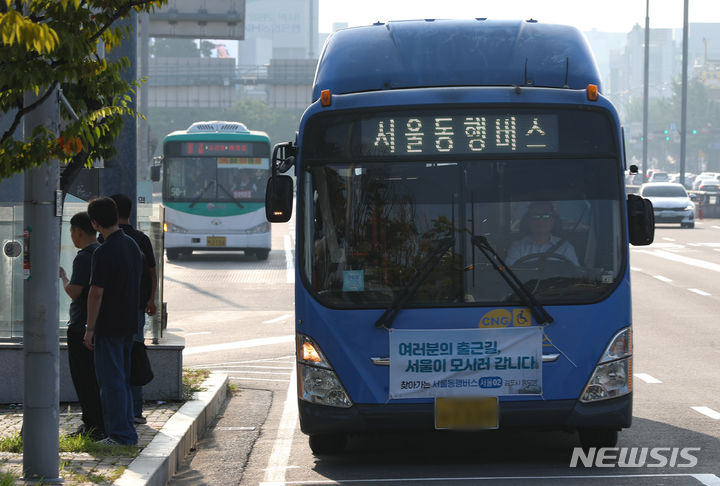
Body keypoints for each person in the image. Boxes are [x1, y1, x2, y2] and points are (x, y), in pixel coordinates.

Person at [84, 197, 142, 446]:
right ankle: (126, 430)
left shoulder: (103, 251)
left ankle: (120, 435)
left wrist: (89, 328)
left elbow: (96, 292)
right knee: (123, 380)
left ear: (95, 223)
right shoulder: (131, 245)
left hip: (108, 324)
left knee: (111, 382)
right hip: (129, 322)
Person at [109, 193, 157, 425]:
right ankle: (136, 411)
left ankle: (119, 413)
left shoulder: (107, 239)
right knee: (135, 354)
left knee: (115, 360)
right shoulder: (141, 238)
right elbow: (152, 272)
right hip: (137, 307)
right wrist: (151, 300)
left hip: (112, 311)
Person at [59, 212, 105, 440]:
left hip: (80, 326)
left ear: (78, 231)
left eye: (71, 232)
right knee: (95, 378)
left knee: (83, 378)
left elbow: (75, 292)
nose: (72, 237)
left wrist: (63, 278)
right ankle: (97, 422)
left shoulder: (84, 256)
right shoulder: (101, 251)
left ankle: (92, 425)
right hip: (97, 324)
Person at [505, 202, 578, 265]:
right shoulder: (517, 247)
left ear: (553, 220)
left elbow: (575, 275)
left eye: (546, 216)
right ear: (528, 221)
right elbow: (510, 273)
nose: (540, 221)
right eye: (535, 216)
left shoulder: (566, 247)